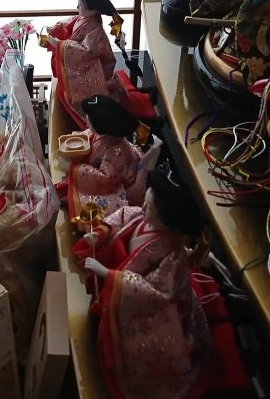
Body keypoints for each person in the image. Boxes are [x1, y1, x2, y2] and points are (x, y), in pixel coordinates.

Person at [73, 169, 212, 399]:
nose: (143, 208)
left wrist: (108, 274)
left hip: (154, 310)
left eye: (151, 209)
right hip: (126, 272)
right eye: (146, 201)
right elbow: (122, 215)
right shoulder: (141, 216)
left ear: (168, 221)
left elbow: (157, 293)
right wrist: (99, 232)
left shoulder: (172, 255)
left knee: (138, 349)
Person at [41, 0, 154, 129]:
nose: (77, 7)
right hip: (85, 64)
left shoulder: (95, 29)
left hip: (97, 69)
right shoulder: (82, 18)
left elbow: (85, 52)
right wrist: (53, 30)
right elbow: (67, 25)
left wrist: (59, 44)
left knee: (75, 98)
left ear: (93, 9)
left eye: (80, 5)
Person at [65, 95, 160, 220]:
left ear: (101, 126)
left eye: (89, 119)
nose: (86, 121)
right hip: (113, 175)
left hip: (121, 189)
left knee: (93, 207)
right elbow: (87, 135)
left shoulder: (116, 152)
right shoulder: (106, 136)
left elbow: (106, 181)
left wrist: (76, 169)